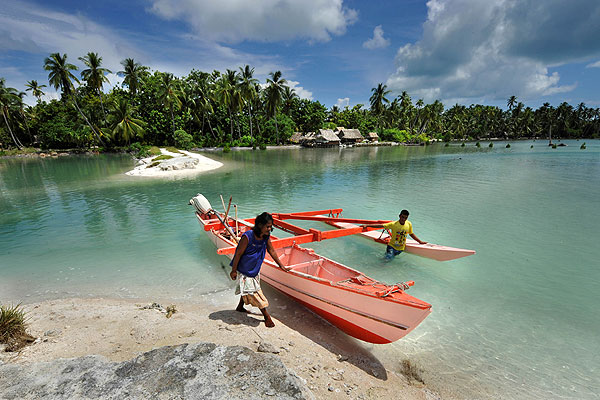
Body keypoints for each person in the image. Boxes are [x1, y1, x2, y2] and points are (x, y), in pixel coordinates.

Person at [230, 212, 288, 327]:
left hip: (255, 270)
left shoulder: (266, 237)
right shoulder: (248, 236)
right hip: (246, 270)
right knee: (255, 293)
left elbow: (271, 251)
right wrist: (234, 270)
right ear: (260, 225)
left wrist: (281, 265)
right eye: (268, 226)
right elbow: (238, 254)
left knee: (249, 290)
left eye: (271, 226)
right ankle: (267, 316)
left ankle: (240, 307)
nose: (270, 229)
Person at [361, 209, 427, 259]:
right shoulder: (393, 224)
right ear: (399, 216)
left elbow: (411, 234)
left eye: (405, 218)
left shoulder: (409, 224)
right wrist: (367, 225)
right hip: (392, 247)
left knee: (389, 259)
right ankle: (378, 268)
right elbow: (381, 225)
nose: (403, 219)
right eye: (402, 217)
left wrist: (420, 242)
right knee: (387, 259)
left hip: (401, 249)